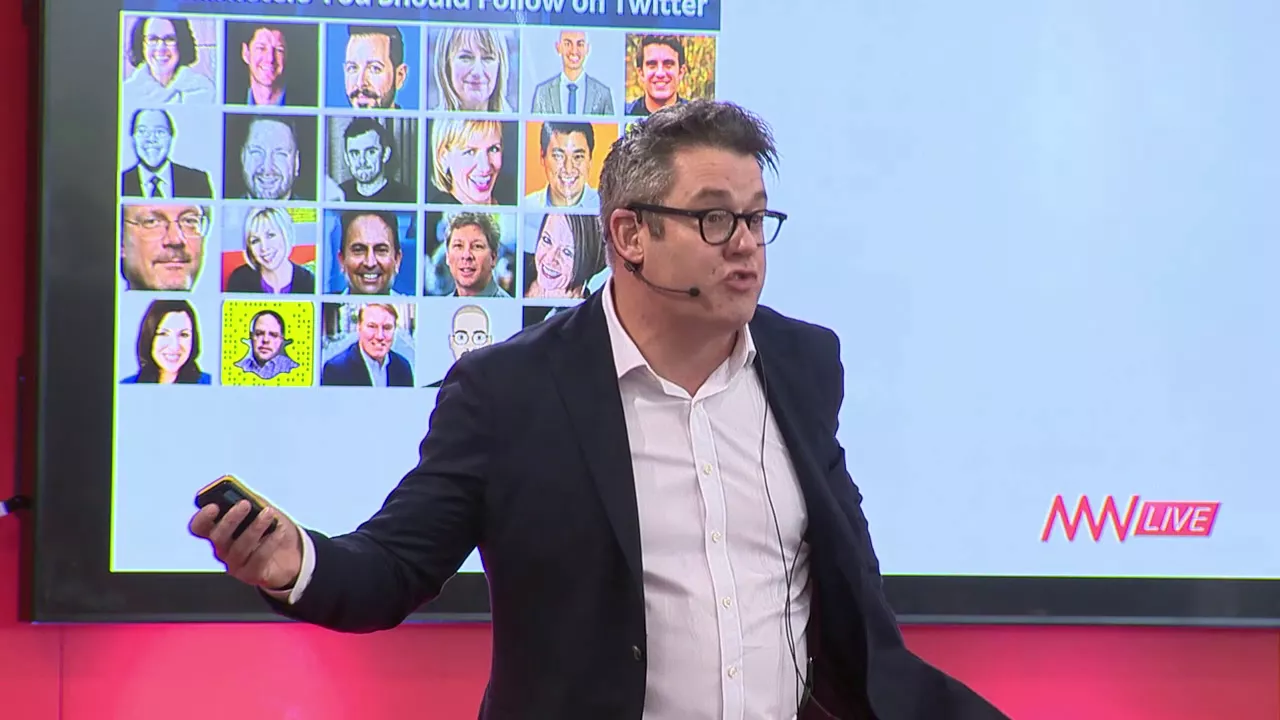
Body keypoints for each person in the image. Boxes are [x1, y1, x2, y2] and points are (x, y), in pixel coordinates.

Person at [189, 100, 1011, 719]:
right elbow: (395, 567)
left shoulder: (802, 364)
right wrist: (294, 563)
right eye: (715, 217)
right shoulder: (510, 392)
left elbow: (847, 589)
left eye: (758, 218)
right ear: (630, 235)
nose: (746, 243)